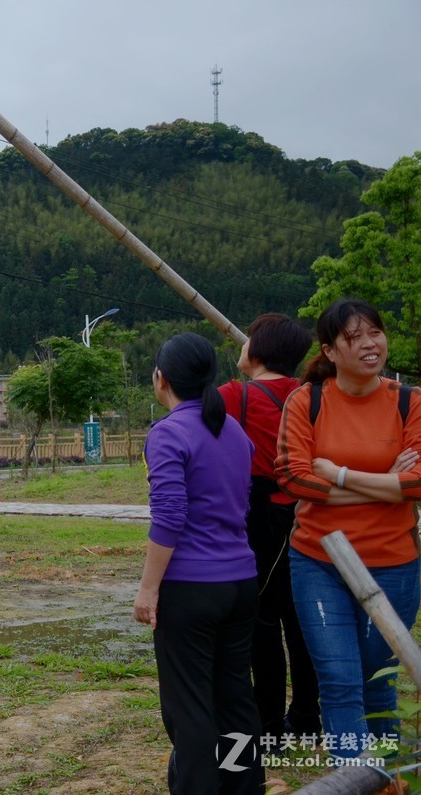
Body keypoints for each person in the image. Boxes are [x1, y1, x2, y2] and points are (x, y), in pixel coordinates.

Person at [275, 298, 421, 759]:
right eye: (353, 338)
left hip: (394, 561)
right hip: (319, 561)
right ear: (331, 351)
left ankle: (387, 780)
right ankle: (354, 782)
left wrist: (338, 475)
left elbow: (419, 482)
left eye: (374, 332)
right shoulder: (308, 401)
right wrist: (387, 486)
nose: (368, 344)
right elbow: (294, 476)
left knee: (377, 680)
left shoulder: (408, 401)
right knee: (339, 682)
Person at [135, 332, 263, 794]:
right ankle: (244, 787)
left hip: (190, 590)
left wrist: (149, 589)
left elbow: (169, 516)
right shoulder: (233, 430)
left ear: (161, 379)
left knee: (190, 708)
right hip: (240, 584)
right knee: (235, 699)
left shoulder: (168, 432)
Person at [217, 314, 320, 741]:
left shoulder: (231, 396)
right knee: (303, 621)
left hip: (258, 515)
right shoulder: (314, 396)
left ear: (257, 350)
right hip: (311, 513)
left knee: (263, 621)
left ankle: (269, 726)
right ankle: (308, 719)